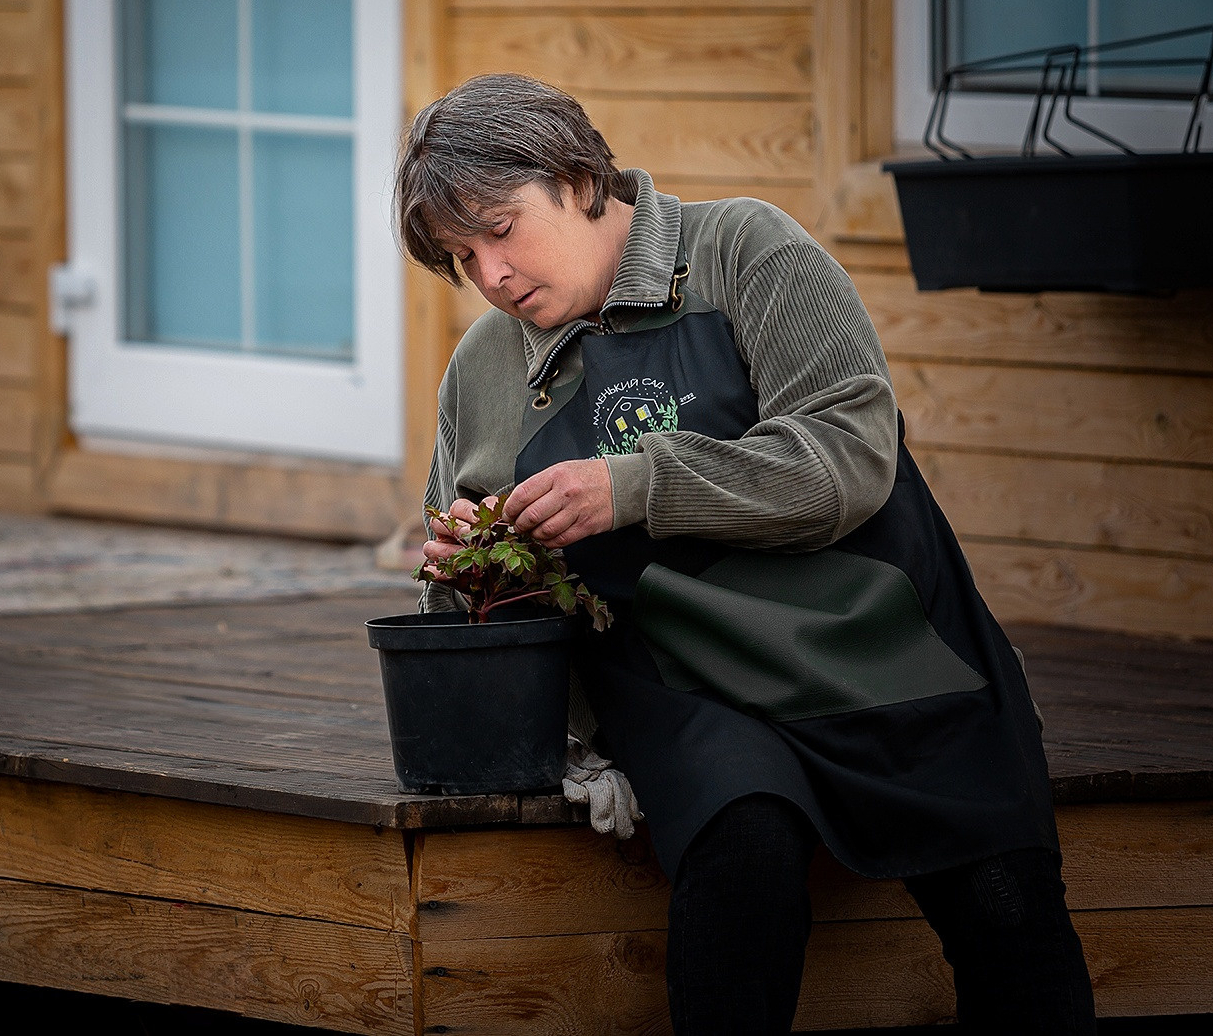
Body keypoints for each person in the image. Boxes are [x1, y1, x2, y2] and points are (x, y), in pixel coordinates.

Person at [400, 73, 1095, 1035]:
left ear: (574, 176)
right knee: (743, 855)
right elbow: (462, 606)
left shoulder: (746, 251)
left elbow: (853, 457)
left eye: (501, 231)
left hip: (884, 646)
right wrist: (469, 573)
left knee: (1007, 912)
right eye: (461, 256)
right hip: (689, 689)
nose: (492, 276)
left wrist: (635, 485)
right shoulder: (483, 367)